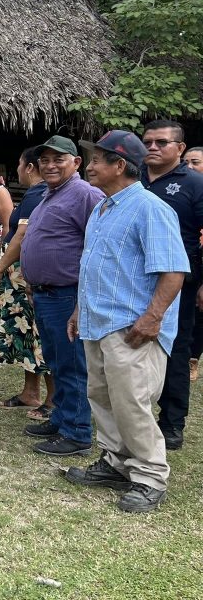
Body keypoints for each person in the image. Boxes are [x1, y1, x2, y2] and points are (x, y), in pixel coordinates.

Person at [65, 131, 187, 513]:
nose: (89, 166)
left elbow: (173, 271)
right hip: (97, 322)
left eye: (96, 160)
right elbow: (94, 266)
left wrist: (152, 319)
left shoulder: (151, 208)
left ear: (119, 165)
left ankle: (150, 477)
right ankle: (116, 462)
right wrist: (78, 310)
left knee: (132, 403)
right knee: (102, 397)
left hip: (132, 328)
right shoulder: (102, 209)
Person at [20, 135, 103, 456]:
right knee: (56, 362)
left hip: (68, 295)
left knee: (72, 365)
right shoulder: (50, 193)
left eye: (59, 159)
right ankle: (61, 418)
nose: (50, 165)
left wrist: (83, 300)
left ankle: (77, 433)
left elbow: (99, 246)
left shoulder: (85, 194)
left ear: (76, 162)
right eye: (45, 160)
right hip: (46, 294)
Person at [139, 120, 203, 451]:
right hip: (134, 279)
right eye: (147, 141)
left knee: (175, 351)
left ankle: (172, 422)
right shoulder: (133, 179)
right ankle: (134, 416)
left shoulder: (194, 183)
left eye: (161, 142)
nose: (152, 147)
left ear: (180, 148)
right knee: (130, 346)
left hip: (178, 283)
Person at [0, 148, 53, 414]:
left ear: (29, 168)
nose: (17, 169)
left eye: (18, 164)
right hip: (18, 275)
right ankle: (30, 392)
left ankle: (53, 398)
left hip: (24, 275)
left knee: (38, 334)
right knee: (25, 335)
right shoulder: (35, 193)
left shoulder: (39, 194)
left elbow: (22, 235)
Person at [183, 146, 203, 381]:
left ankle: (193, 359)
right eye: (186, 162)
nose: (189, 167)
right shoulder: (181, 192)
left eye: (195, 162)